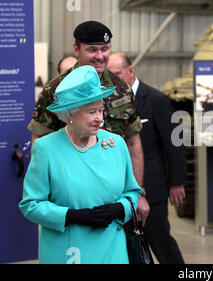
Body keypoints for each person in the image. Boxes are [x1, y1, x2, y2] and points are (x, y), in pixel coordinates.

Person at [19, 65, 142, 264]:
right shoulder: (46, 148)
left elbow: (132, 193)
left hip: (113, 250)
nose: (99, 119)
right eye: (91, 112)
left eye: (101, 110)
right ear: (70, 115)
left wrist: (119, 209)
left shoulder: (116, 144)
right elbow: (31, 204)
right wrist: (72, 216)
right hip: (68, 252)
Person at [28, 21, 144, 190]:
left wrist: (136, 193)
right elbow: (39, 140)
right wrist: (47, 192)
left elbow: (133, 143)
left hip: (115, 188)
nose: (100, 56)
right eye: (92, 50)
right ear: (77, 49)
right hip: (72, 188)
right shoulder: (55, 90)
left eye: (105, 49)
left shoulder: (122, 89)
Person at [107, 52, 186, 264]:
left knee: (160, 242)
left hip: (153, 188)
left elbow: (174, 145)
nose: (114, 80)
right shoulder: (109, 102)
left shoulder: (156, 100)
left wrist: (176, 182)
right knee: (131, 244)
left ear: (130, 71)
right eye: (109, 75)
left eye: (117, 74)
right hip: (121, 189)